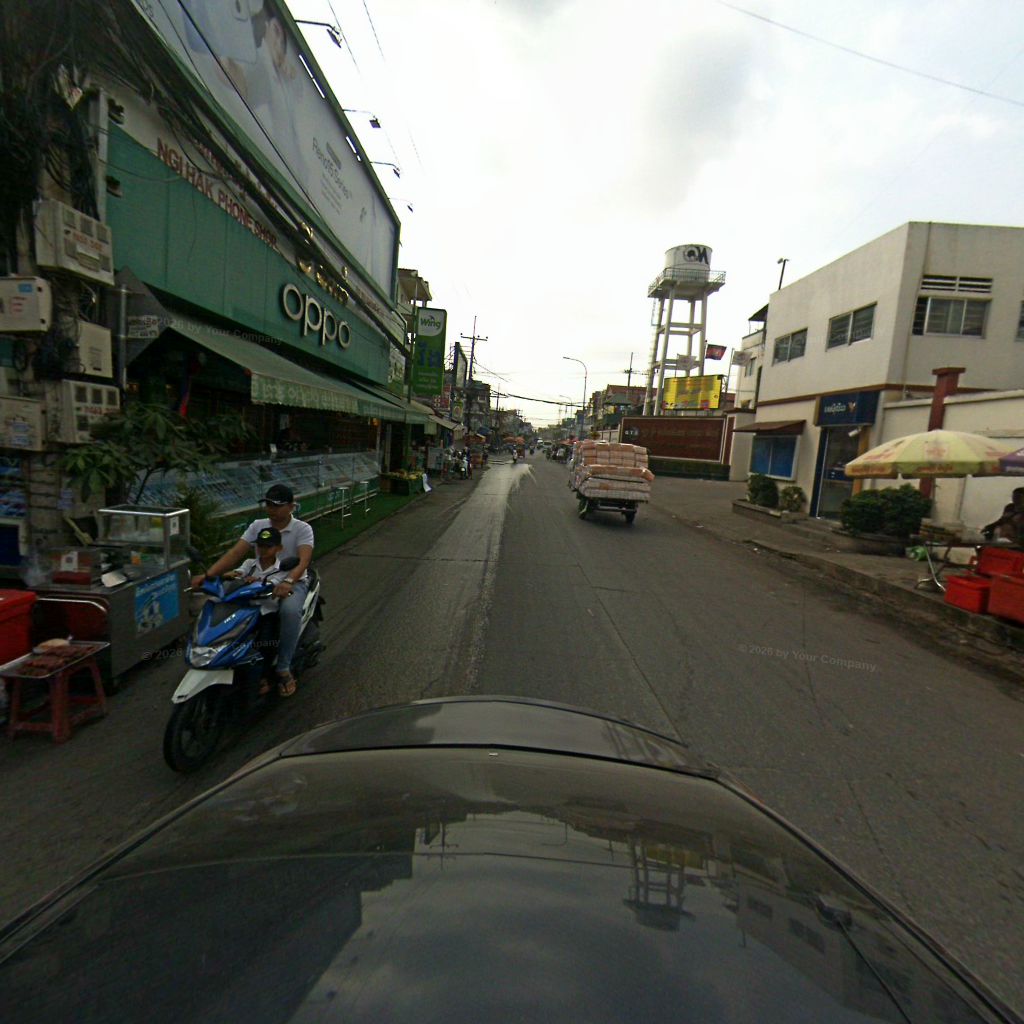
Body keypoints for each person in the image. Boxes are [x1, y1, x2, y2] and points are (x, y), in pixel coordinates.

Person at [193, 484, 313, 697]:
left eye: (277, 505)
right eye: (268, 504)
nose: (271, 509)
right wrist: (209, 575)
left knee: (288, 611)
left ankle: (283, 668)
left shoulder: (302, 529)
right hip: (258, 582)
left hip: (292, 583)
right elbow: (235, 553)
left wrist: (288, 581)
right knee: (226, 605)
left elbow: (303, 561)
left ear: (291, 506)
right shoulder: (258, 526)